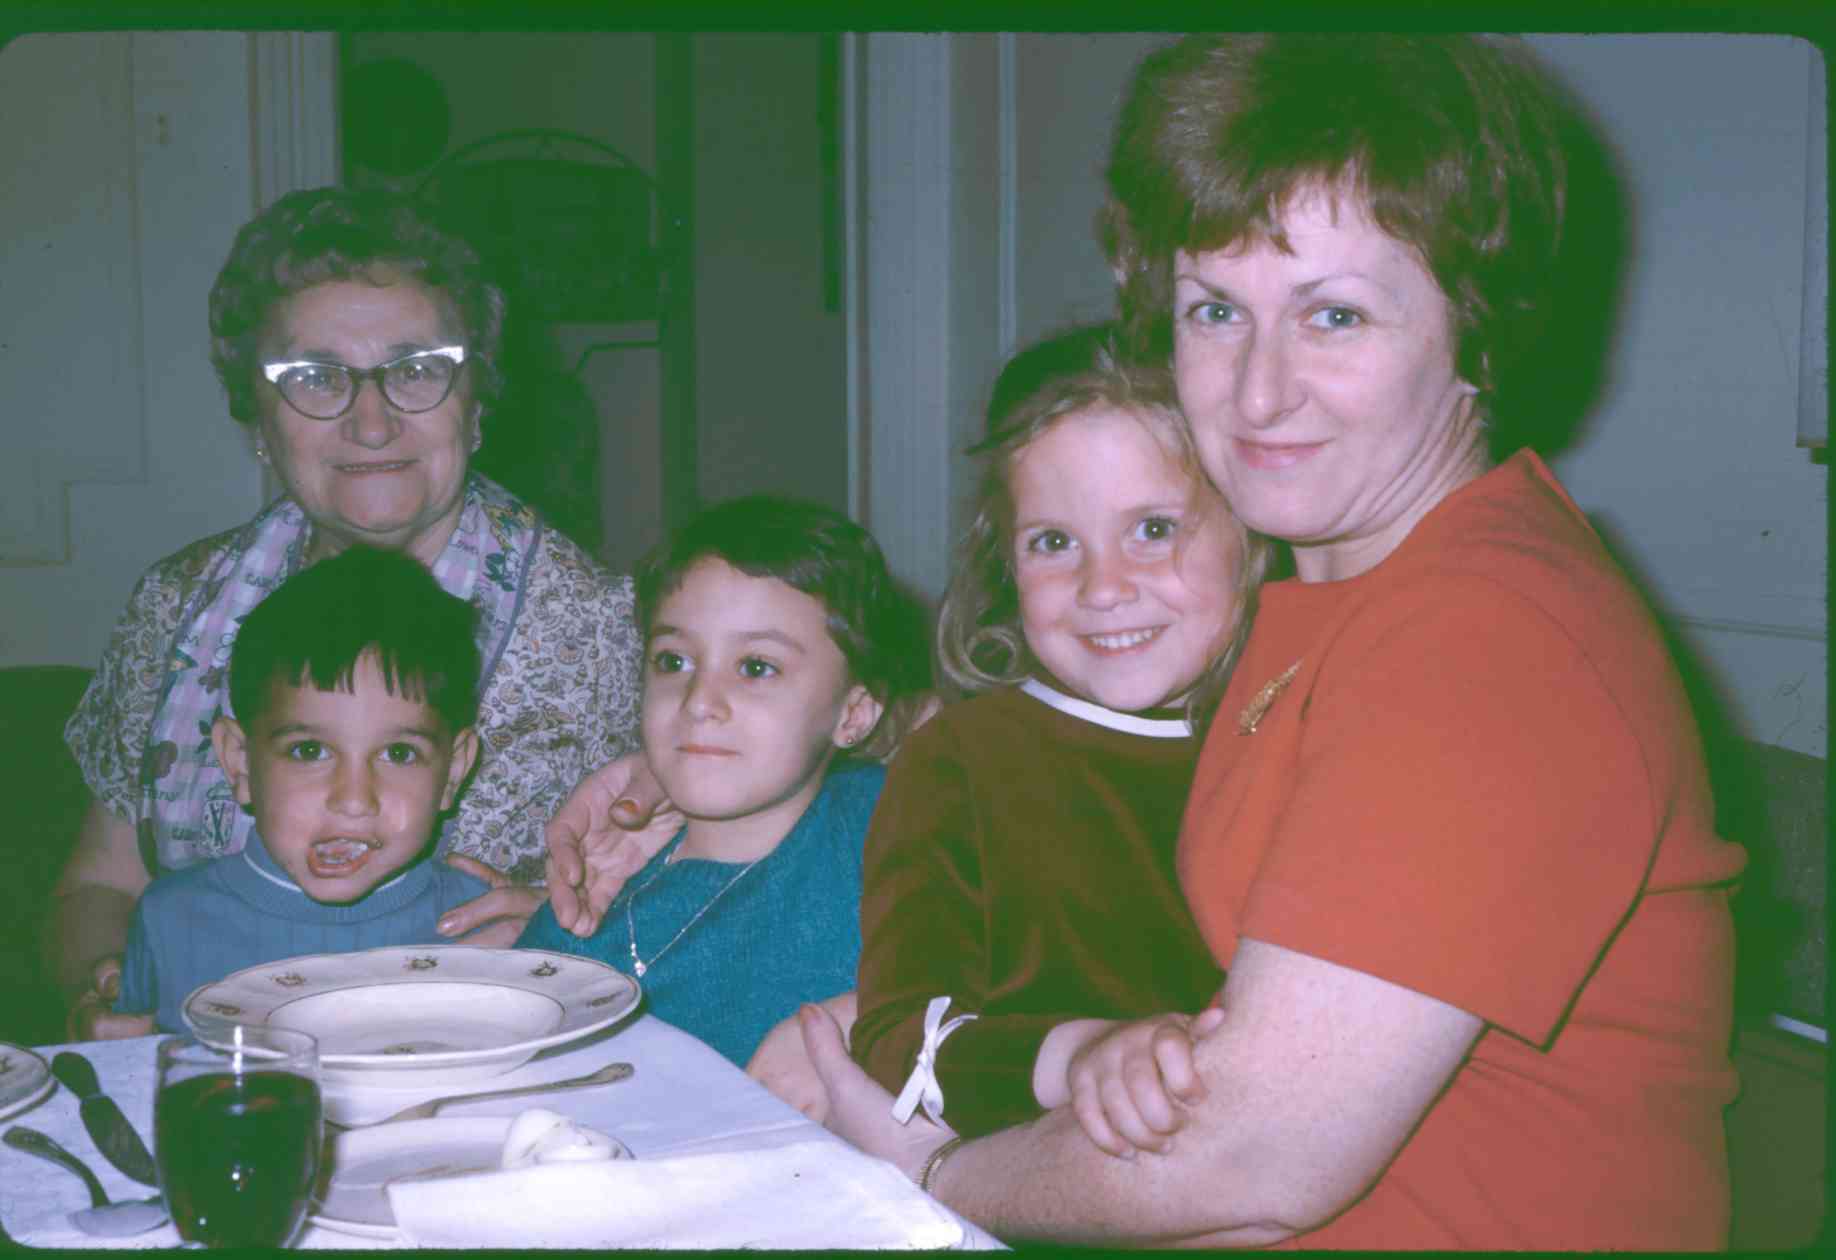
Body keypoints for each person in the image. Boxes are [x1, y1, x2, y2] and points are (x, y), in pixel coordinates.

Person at [796, 32, 1747, 1250]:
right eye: (1214, 311)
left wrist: (932, 1176)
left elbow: (1248, 1158)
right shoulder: (1320, 605)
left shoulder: (1483, 635)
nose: (1256, 392)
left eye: (1334, 315)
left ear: (1475, 332)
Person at [54, 186, 659, 1039]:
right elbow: (102, 881)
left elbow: (714, 890)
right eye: (315, 377)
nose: (371, 423)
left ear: (476, 403)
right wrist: (101, 993)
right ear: (256, 416)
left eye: (416, 370)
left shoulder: (605, 628)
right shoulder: (173, 603)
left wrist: (572, 939)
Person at [849, 324, 1269, 1140]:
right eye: (1053, 543)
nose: (1103, 587)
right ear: (1005, 565)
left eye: (1153, 529)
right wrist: (1080, 1057)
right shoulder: (965, 761)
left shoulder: (1294, 726)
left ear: (1249, 533)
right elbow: (900, 1041)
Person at [517, 495, 931, 1072]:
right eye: (673, 661)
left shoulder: (887, 822)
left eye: (756, 667)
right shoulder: (590, 905)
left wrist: (854, 1020)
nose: (699, 701)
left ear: (854, 714)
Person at [110, 546, 491, 1034]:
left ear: (453, 771)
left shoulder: (484, 924)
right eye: (309, 751)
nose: (353, 800)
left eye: (399, 754)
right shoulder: (169, 919)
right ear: (239, 760)